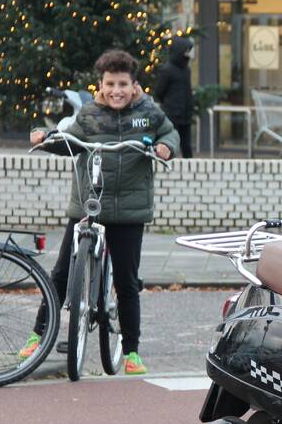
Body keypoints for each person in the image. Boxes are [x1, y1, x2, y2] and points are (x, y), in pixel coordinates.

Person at [22, 50, 178, 375]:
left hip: (129, 210)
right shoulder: (90, 114)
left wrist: (166, 147)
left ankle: (132, 352)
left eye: (123, 84)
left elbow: (169, 133)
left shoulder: (148, 113)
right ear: (101, 84)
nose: (116, 90)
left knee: (127, 281)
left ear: (134, 85)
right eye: (110, 83)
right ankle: (38, 333)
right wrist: (44, 137)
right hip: (88, 203)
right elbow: (69, 139)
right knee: (62, 273)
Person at [154, 36, 195, 158]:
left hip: (185, 114)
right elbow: (159, 91)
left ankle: (191, 171)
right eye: (186, 51)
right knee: (172, 143)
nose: (187, 54)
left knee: (187, 146)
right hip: (172, 115)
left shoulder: (186, 70)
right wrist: (169, 104)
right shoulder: (167, 70)